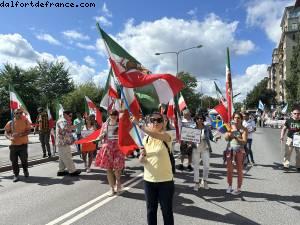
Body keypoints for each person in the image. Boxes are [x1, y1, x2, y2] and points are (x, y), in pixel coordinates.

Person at [131, 112, 174, 225]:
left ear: (164, 122)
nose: (155, 122)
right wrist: (141, 157)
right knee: (151, 211)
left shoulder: (167, 136)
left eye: (159, 120)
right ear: (149, 122)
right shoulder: (145, 139)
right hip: (149, 180)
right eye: (152, 120)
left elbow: (155, 135)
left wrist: (139, 125)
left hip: (165, 181)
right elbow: (143, 161)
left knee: (166, 211)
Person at [95, 110, 124, 196]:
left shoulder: (120, 124)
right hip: (108, 149)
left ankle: (118, 184)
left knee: (117, 169)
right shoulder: (105, 125)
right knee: (109, 169)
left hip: (118, 149)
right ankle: (111, 188)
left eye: (115, 114)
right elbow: (101, 134)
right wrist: (99, 137)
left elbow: (126, 134)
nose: (113, 116)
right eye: (112, 114)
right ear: (109, 115)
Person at [4, 108, 31, 182]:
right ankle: (16, 175)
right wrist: (10, 137)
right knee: (14, 161)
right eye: (17, 113)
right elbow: (6, 132)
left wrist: (21, 134)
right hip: (13, 146)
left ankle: (25, 170)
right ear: (14, 114)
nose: (19, 114)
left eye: (20, 113)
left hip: (23, 145)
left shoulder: (25, 121)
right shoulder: (10, 122)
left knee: (24, 160)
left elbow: (29, 130)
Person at [224, 112, 248, 195]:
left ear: (241, 119)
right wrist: (229, 133)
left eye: (238, 118)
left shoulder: (244, 129)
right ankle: (230, 185)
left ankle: (238, 188)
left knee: (239, 171)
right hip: (230, 150)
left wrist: (236, 137)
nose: (236, 119)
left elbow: (244, 142)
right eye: (235, 118)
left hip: (239, 151)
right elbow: (226, 139)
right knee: (229, 170)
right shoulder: (230, 127)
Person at [193, 114, 217, 191]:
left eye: (201, 118)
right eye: (198, 118)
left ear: (203, 120)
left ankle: (205, 181)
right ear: (196, 120)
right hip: (195, 148)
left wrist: (215, 138)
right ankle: (197, 183)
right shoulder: (193, 128)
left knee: (206, 166)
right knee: (196, 166)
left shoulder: (207, 128)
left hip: (205, 148)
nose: (200, 120)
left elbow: (211, 137)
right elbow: (188, 137)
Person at [56, 110, 81, 176]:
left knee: (62, 157)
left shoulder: (63, 120)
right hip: (63, 142)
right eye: (70, 115)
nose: (71, 117)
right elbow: (65, 128)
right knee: (67, 157)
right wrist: (74, 127)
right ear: (65, 114)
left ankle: (61, 171)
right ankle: (72, 171)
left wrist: (72, 127)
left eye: (71, 116)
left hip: (63, 142)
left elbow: (66, 129)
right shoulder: (62, 121)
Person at [280, 105, 300, 171]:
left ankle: (298, 166)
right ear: (292, 114)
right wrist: (282, 136)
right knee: (288, 152)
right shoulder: (288, 121)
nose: (296, 115)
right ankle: (286, 166)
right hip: (290, 139)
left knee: (299, 154)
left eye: (298, 113)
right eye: (295, 113)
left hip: (298, 139)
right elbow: (284, 129)